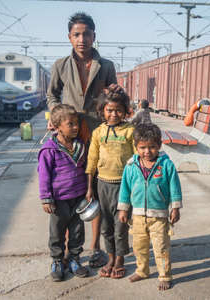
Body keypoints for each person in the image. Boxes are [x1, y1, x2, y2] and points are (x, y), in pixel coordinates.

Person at [46, 11, 121, 268]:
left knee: (96, 193)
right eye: (76, 34)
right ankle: (69, 252)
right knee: (70, 193)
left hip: (98, 135)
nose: (82, 39)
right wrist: (56, 116)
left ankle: (96, 248)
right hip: (69, 135)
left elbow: (114, 99)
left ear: (94, 36)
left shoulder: (106, 66)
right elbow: (52, 95)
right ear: (69, 37)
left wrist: (114, 98)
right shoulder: (60, 65)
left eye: (86, 34)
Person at [118, 123, 182, 290]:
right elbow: (125, 188)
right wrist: (123, 208)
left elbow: (175, 187)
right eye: (142, 147)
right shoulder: (131, 166)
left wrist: (175, 207)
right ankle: (142, 270)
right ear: (136, 147)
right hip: (138, 216)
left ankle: (165, 275)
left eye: (152, 147)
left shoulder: (166, 165)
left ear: (159, 146)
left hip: (159, 217)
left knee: (161, 248)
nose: (147, 152)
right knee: (139, 246)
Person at [85, 87, 135, 279]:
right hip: (102, 184)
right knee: (106, 226)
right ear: (102, 111)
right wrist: (90, 187)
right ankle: (111, 258)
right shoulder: (98, 132)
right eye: (109, 110)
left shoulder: (130, 131)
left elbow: (137, 159)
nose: (114, 114)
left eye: (118, 110)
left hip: (123, 186)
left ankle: (120, 259)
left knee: (120, 225)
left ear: (125, 111)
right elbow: (92, 160)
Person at [37, 104, 89, 281]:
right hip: (59, 200)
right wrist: (46, 199)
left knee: (76, 231)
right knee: (57, 232)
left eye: (76, 124)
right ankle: (57, 261)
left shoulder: (80, 146)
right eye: (70, 124)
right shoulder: (49, 150)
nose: (75, 127)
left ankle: (74, 259)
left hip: (78, 198)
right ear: (57, 126)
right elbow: (44, 176)